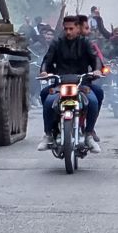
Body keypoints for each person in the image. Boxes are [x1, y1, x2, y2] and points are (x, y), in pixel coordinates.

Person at [37, 14, 104, 152]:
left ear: (78, 28)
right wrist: (44, 71)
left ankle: (89, 134)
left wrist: (97, 70)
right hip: (60, 83)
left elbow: (95, 59)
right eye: (66, 28)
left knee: (94, 101)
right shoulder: (56, 43)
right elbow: (47, 61)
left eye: (71, 28)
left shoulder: (86, 43)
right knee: (47, 99)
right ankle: (48, 133)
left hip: (81, 84)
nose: (68, 32)